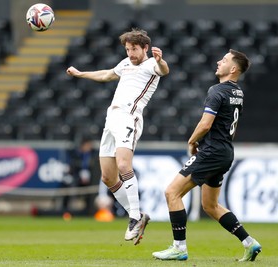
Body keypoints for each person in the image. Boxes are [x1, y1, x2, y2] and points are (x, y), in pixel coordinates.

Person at [152, 49, 262, 261]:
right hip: (225, 152)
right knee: (210, 206)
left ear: (233, 69)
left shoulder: (217, 90)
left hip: (211, 151)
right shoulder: (238, 92)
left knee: (172, 193)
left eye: (225, 60)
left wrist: (192, 141)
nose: (219, 61)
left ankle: (179, 247)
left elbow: (205, 124)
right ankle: (250, 243)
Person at [66, 28, 169, 245]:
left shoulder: (151, 64)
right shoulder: (125, 63)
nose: (131, 53)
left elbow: (164, 70)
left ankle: (133, 218)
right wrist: (80, 73)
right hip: (111, 120)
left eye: (134, 49)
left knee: (124, 166)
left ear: (145, 48)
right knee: (108, 177)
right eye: (128, 49)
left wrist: (160, 60)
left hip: (129, 118)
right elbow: (106, 74)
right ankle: (138, 216)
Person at [62, 136, 101, 216]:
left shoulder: (93, 154)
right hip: (77, 178)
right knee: (68, 185)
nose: (89, 147)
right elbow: (72, 167)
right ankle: (66, 209)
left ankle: (89, 209)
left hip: (90, 180)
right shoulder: (76, 154)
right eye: (87, 145)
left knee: (91, 190)